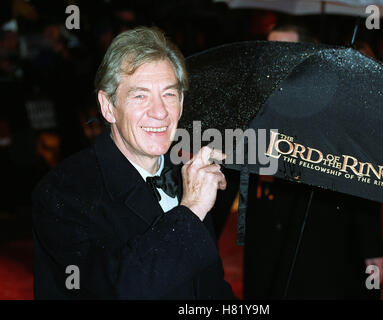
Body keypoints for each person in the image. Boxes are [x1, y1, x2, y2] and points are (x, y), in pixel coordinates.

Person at [32, 26, 235, 300]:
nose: (160, 111)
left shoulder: (186, 176)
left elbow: (209, 287)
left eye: (169, 94)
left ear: (182, 102)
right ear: (107, 106)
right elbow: (121, 289)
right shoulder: (63, 191)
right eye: (140, 95)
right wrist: (191, 210)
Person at [242, 23, 383, 300]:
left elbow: (363, 178)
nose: (276, 58)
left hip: (325, 235)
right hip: (269, 238)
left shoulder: (336, 105)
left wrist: (371, 246)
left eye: (286, 49)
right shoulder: (256, 100)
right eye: (270, 50)